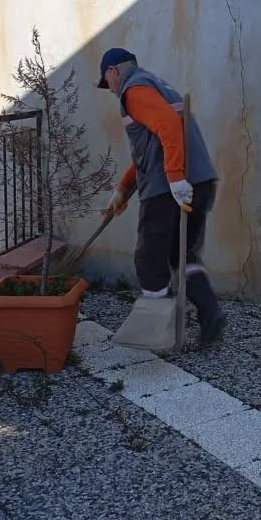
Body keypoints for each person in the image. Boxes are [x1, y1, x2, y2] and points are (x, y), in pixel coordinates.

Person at [96, 47, 226, 344]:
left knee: (149, 259)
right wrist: (122, 191)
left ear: (114, 71)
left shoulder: (133, 91)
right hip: (201, 181)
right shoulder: (157, 86)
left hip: (168, 190)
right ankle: (210, 314)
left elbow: (168, 126)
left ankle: (154, 332)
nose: (111, 89)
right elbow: (150, 149)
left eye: (108, 81)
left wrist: (176, 179)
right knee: (182, 255)